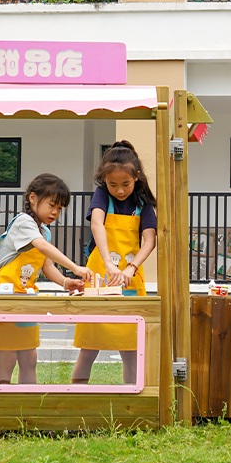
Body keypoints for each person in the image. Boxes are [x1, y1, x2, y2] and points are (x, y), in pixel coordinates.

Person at [0, 173, 90, 384]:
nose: (55, 212)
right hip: (6, 300)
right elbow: (42, 248)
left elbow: (46, 265)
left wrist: (66, 282)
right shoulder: (24, 222)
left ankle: (27, 409)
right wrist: (75, 268)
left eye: (60, 208)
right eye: (52, 205)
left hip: (26, 301)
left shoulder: (43, 231)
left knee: (29, 359)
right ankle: (4, 407)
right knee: (7, 360)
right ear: (32, 198)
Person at [72, 141, 157, 384]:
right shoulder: (101, 195)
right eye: (113, 185)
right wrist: (109, 263)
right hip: (100, 277)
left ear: (136, 177)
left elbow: (149, 240)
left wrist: (131, 267)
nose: (119, 191)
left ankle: (130, 403)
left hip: (130, 279)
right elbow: (97, 224)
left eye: (126, 185)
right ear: (104, 181)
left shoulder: (143, 203)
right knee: (89, 347)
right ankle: (77, 405)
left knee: (130, 348)